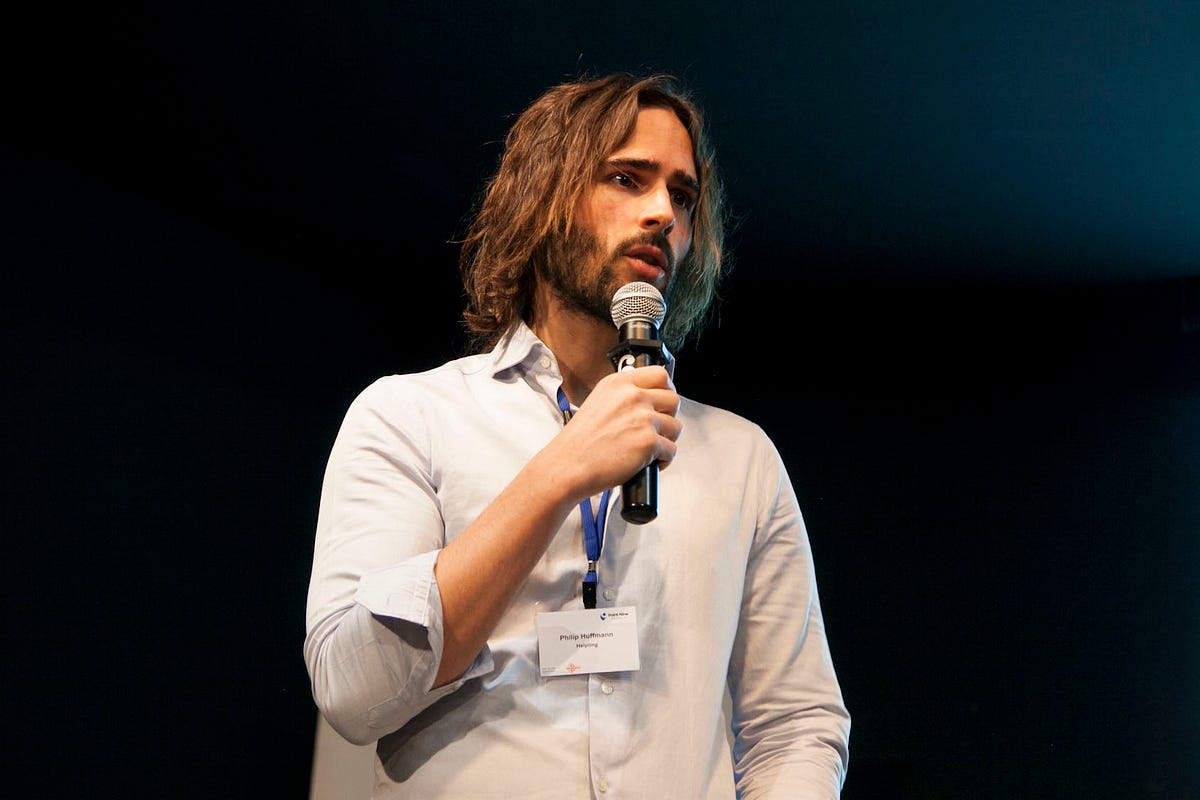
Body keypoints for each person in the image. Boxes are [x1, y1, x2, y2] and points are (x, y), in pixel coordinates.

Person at [303, 71, 851, 798]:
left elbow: (795, 724)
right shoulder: (409, 416)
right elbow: (352, 692)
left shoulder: (741, 457)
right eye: (627, 179)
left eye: (682, 196)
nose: (662, 214)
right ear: (543, 197)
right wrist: (557, 472)